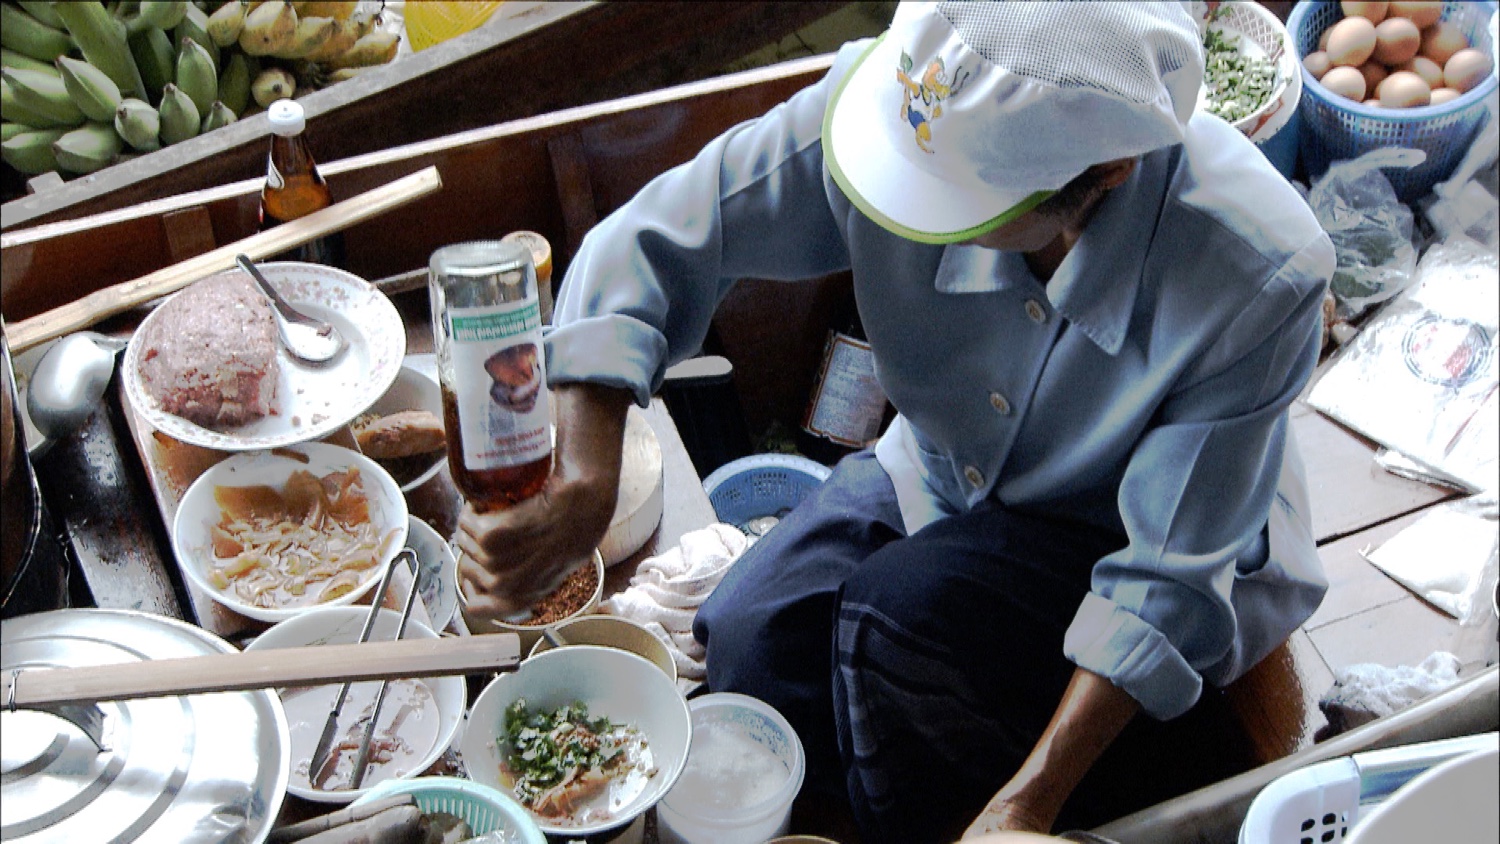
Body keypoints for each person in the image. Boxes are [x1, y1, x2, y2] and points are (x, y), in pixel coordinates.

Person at [455, 1, 1335, 840]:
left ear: (1106, 173)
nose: (906, 218)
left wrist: (1024, 808)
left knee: (896, 627)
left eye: (959, 207)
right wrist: (587, 474)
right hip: (949, 469)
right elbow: (662, 234)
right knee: (751, 643)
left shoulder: (1258, 271)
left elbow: (1161, 588)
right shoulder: (897, 105)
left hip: (1121, 533)